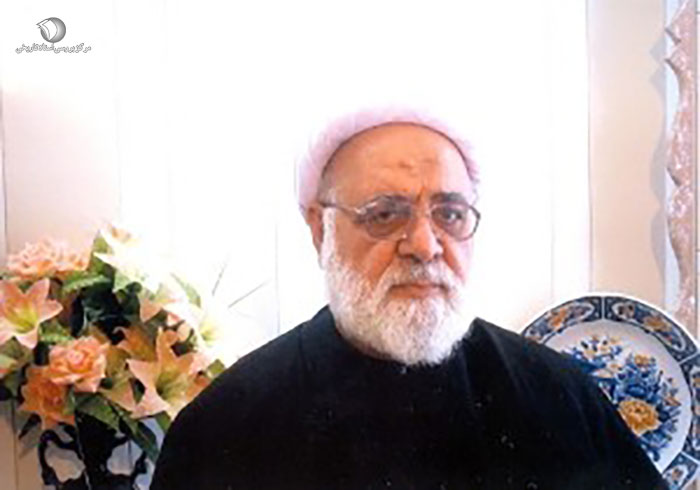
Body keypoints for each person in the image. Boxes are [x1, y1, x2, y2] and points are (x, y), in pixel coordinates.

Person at [151, 108, 668, 489]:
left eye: (450, 214)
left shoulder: (556, 396)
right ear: (319, 230)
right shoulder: (229, 425)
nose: (424, 245)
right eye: (384, 214)